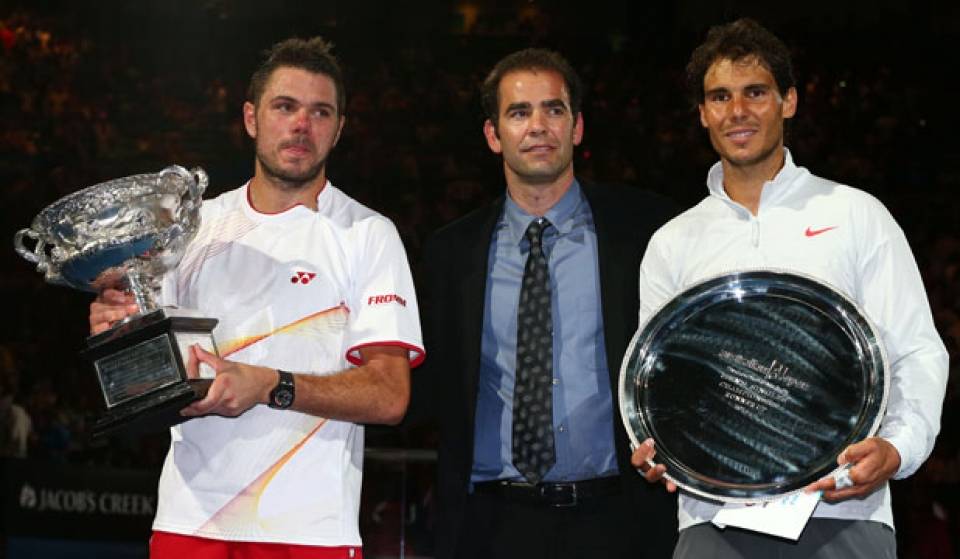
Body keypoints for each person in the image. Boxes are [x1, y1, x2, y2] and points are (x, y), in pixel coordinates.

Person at [89, 37, 424, 558]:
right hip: (189, 524)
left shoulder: (367, 235)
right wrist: (121, 334)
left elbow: (389, 395)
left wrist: (270, 385)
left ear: (339, 129)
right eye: (285, 107)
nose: (301, 126)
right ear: (251, 118)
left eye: (320, 112)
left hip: (311, 533)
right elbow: (147, 387)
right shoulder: (192, 230)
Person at [630, 18, 949, 558]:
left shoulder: (855, 214)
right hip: (714, 520)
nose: (738, 111)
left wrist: (897, 449)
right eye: (720, 97)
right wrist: (651, 444)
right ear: (703, 113)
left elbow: (916, 348)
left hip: (843, 508)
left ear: (789, 102)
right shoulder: (673, 242)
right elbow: (658, 380)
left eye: (755, 92)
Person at [412, 48, 678, 559]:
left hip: (620, 519)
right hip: (488, 525)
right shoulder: (452, 251)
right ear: (493, 135)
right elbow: (428, 386)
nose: (538, 126)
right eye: (519, 112)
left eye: (553, 109)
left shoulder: (645, 232)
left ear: (577, 127)